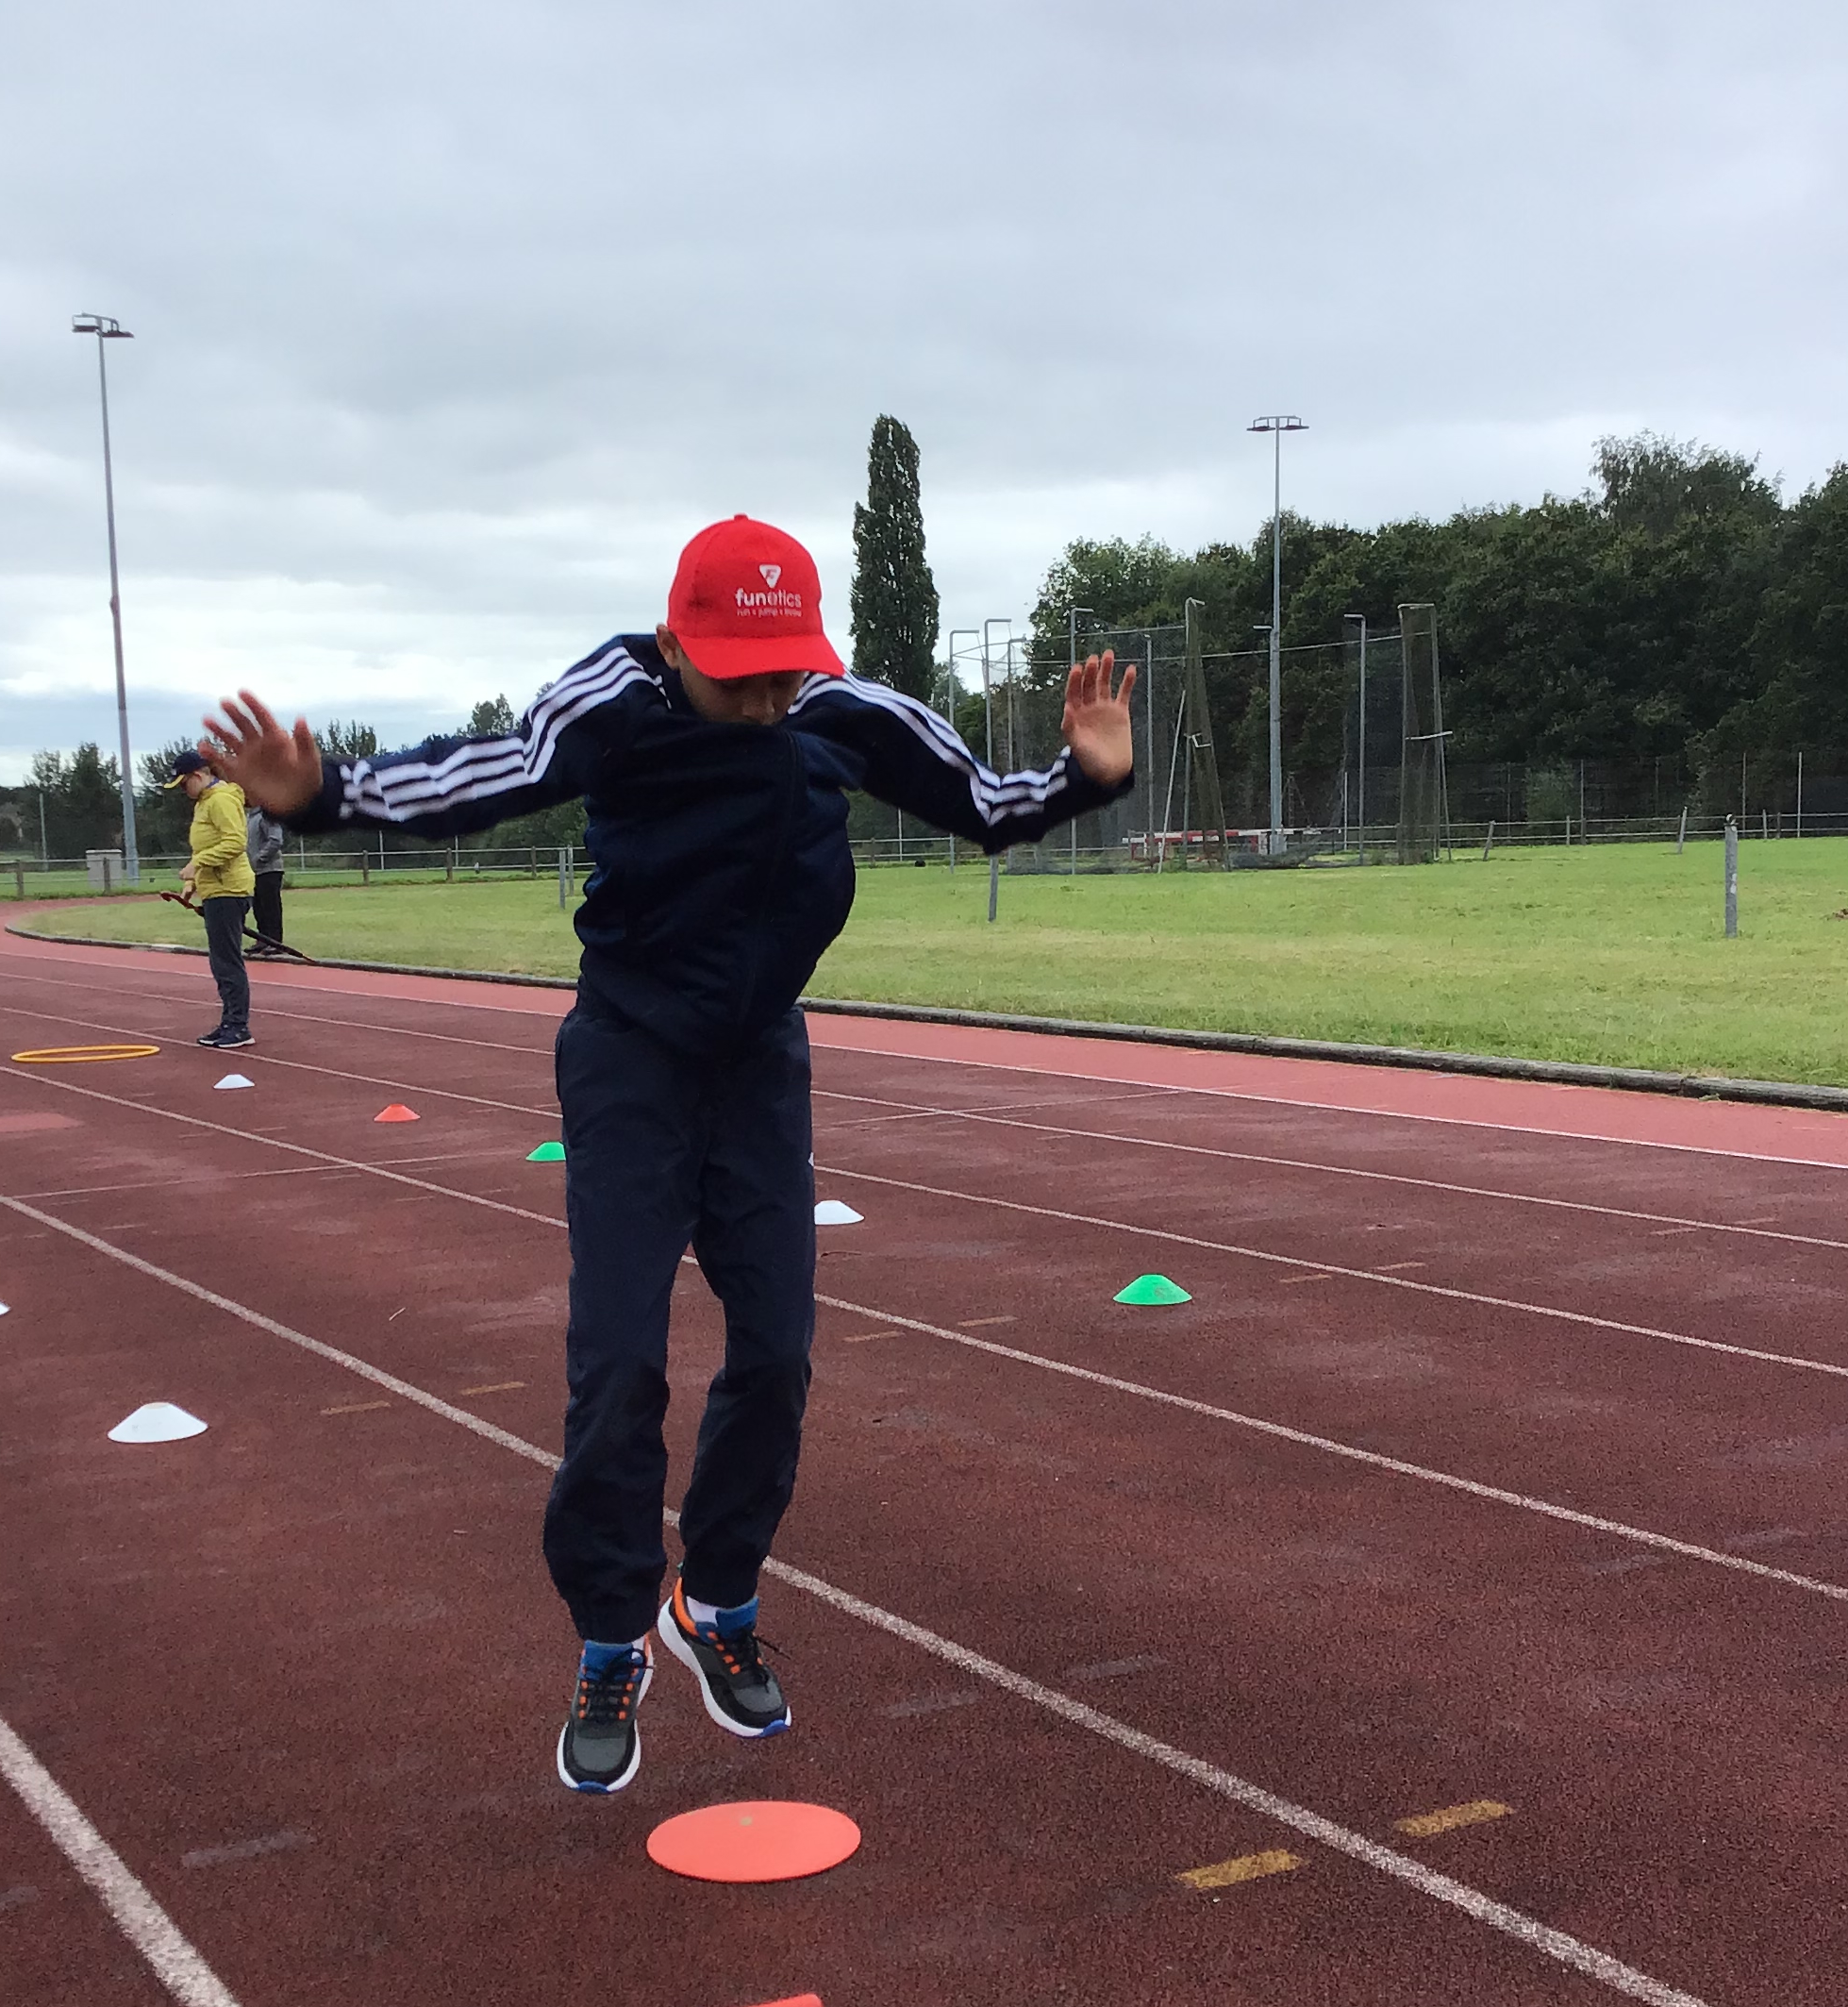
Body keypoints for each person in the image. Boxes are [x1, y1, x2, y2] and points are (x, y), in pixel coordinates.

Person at [198, 514, 1135, 1797]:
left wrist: (1084, 776)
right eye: (739, 678)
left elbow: (980, 802)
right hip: (630, 1056)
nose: (765, 702)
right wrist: (325, 796)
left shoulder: (833, 708)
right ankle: (610, 1637)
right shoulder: (614, 699)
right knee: (620, 1360)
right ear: (677, 643)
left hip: (758, 1064)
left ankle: (719, 1601)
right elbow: (485, 776)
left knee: (778, 1350)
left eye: (783, 675)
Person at [160, 748, 255, 1049]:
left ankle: (238, 1026)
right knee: (220, 961)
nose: (183, 791)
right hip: (215, 889)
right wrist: (193, 882)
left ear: (198, 775)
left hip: (230, 889)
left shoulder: (221, 800)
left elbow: (235, 842)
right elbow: (205, 846)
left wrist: (198, 864)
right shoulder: (204, 802)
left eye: (184, 784)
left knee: (227, 961)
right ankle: (230, 1021)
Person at [245, 802, 292, 958]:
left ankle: (275, 942)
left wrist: (260, 858)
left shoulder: (267, 815)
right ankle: (263, 939)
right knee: (259, 907)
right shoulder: (249, 817)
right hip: (255, 872)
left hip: (270, 870)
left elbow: (275, 840)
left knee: (271, 907)